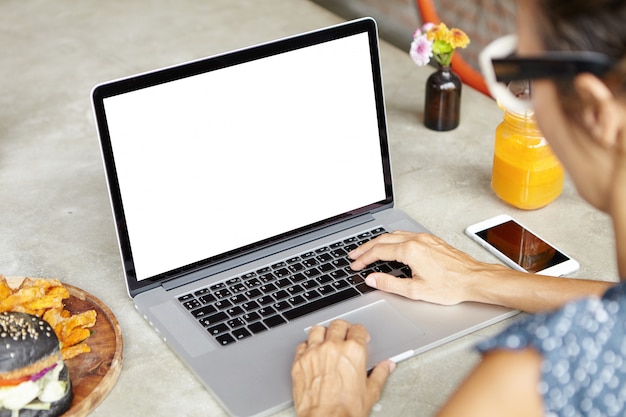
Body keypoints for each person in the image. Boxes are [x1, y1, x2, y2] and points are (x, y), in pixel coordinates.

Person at [291, 0, 626, 415]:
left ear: (596, 111)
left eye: (523, 71)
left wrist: (331, 407)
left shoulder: (539, 373)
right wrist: (478, 277)